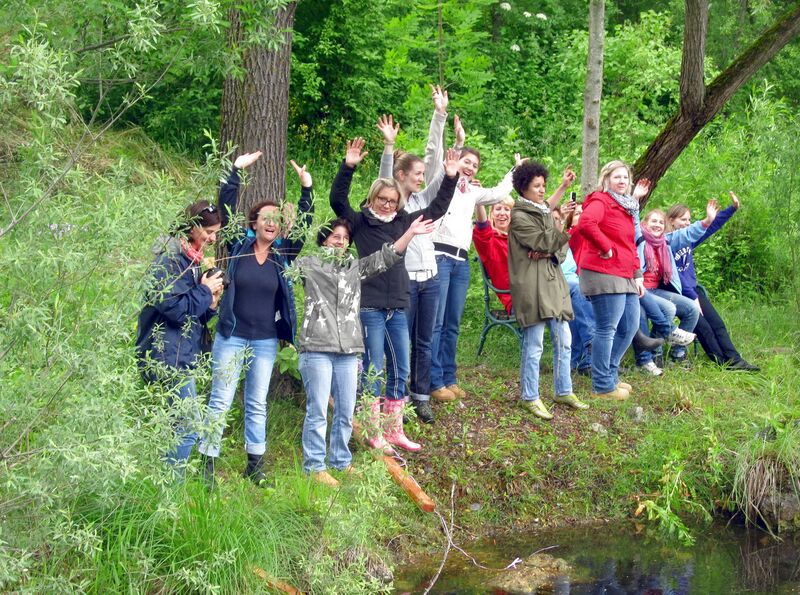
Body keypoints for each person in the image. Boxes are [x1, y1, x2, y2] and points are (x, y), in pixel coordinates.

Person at [329, 138, 460, 452]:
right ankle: (373, 430)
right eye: (382, 199)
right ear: (373, 198)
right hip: (371, 306)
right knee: (375, 367)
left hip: (398, 305)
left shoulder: (403, 220)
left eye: (391, 200)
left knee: (401, 368)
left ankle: (394, 429)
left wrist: (451, 176)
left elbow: (437, 208)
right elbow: (337, 200)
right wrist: (348, 166)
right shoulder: (360, 222)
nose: (387, 204)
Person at [197, 153, 313, 486]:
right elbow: (226, 207)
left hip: (264, 341)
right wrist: (235, 171)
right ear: (254, 222)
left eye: (276, 218)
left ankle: (255, 466)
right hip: (231, 336)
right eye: (265, 217)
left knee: (257, 401)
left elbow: (306, 224)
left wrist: (306, 189)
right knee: (220, 398)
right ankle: (208, 465)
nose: (271, 222)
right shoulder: (237, 247)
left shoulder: (282, 255)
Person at [296, 216, 436, 487]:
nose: (341, 241)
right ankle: (314, 466)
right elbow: (287, 251)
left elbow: (387, 257)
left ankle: (340, 461)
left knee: (346, 409)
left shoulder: (354, 268)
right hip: (316, 348)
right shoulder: (309, 265)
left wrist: (411, 233)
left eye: (345, 238)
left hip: (348, 350)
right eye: (335, 236)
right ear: (324, 239)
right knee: (317, 410)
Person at [376, 85, 451, 423]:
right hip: (404, 282)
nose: (422, 178)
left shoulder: (425, 200)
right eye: (416, 174)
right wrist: (389, 148)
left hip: (430, 279)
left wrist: (440, 115)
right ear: (401, 175)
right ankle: (397, 399)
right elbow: (382, 178)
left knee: (424, 341)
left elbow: (435, 159)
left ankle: (421, 397)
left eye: (423, 174)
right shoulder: (392, 203)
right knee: (400, 345)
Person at [136, 201, 224, 470]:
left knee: (172, 427)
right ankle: (170, 498)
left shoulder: (191, 258)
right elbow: (171, 307)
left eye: (216, 233)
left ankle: (161, 490)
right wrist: (204, 291)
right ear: (192, 226)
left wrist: (209, 304)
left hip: (181, 352)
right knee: (187, 428)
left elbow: (191, 314)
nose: (212, 238)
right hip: (165, 354)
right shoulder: (170, 257)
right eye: (209, 231)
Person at [509, 161, 588, 419]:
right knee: (535, 344)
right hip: (532, 286)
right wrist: (561, 229)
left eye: (544, 185)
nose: (542, 190)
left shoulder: (540, 210)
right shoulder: (520, 216)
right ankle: (529, 396)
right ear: (523, 189)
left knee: (564, 340)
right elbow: (544, 240)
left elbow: (552, 246)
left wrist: (564, 187)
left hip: (552, 283)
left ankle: (563, 390)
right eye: (537, 186)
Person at [575, 160, 650, 400]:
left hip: (625, 273)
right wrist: (605, 246)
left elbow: (629, 245)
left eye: (625, 178)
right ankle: (602, 385)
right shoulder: (600, 200)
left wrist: (638, 275)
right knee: (607, 329)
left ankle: (610, 374)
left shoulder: (626, 207)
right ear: (606, 179)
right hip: (603, 271)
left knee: (629, 326)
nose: (622, 181)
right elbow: (586, 223)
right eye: (617, 177)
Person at [667, 192, 759, 371]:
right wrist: (693, 297)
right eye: (682, 220)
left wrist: (731, 209)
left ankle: (735, 360)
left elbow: (711, 226)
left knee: (717, 324)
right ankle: (722, 363)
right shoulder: (665, 244)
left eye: (689, 220)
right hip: (678, 295)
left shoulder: (689, 240)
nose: (687, 223)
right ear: (671, 221)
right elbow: (673, 277)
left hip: (693, 291)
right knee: (704, 329)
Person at [635, 204, 716, 368]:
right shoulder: (640, 238)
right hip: (640, 289)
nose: (657, 225)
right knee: (669, 309)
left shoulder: (665, 242)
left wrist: (707, 221)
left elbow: (687, 233)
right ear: (645, 223)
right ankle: (656, 353)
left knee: (691, 310)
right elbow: (633, 221)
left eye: (660, 222)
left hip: (657, 291)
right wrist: (636, 198)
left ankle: (677, 353)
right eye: (653, 221)